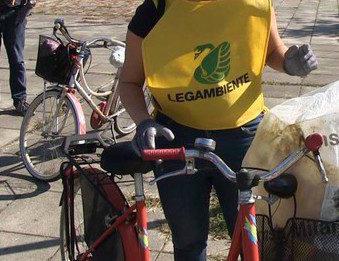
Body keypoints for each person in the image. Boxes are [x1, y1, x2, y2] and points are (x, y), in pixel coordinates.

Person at [119, 0, 318, 260]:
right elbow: (129, 81)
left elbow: (271, 50)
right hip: (178, 139)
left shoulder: (254, 3)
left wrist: (289, 62)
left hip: (244, 137)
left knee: (255, 242)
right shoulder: (154, 11)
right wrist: (144, 122)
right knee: (188, 241)